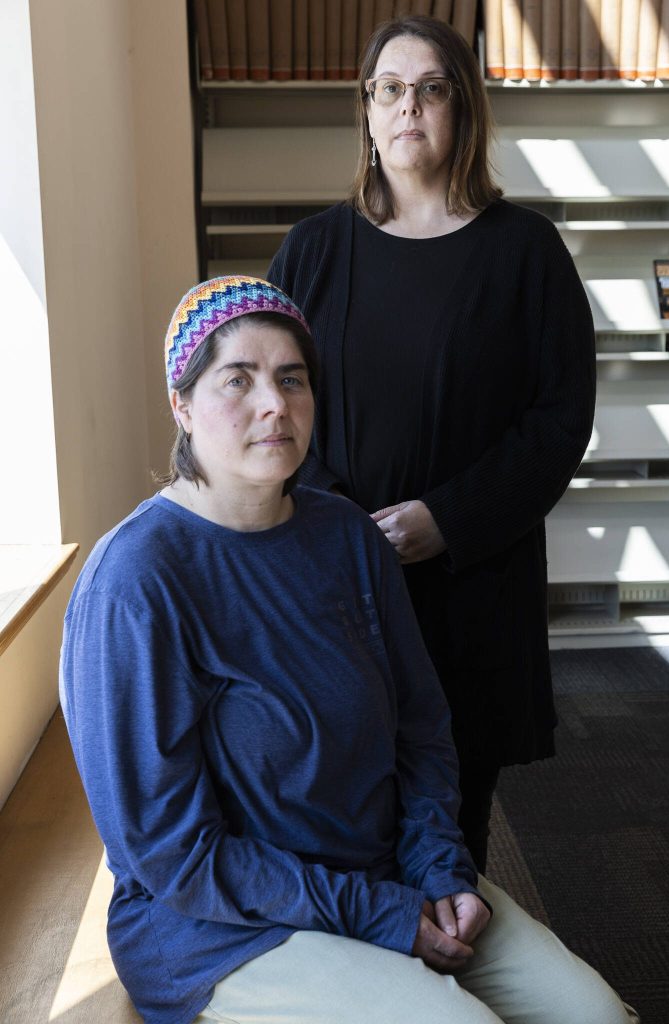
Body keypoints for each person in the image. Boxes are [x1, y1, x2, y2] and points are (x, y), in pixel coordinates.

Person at [60, 277, 636, 1024]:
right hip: (221, 925)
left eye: (291, 378)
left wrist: (438, 866)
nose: (274, 404)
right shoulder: (136, 578)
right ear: (182, 403)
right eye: (238, 379)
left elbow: (420, 726)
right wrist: (383, 916)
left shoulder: (346, 535)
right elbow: (168, 852)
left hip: (385, 872)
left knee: (592, 1015)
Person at [268, 14, 596, 871]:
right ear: (367, 115)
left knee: (453, 824)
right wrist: (342, 522)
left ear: (462, 110)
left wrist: (444, 518)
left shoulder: (525, 252)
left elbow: (559, 420)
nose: (407, 104)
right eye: (388, 88)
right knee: (332, 803)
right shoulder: (311, 252)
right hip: (336, 577)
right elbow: (272, 404)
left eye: (431, 87)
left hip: (472, 582)